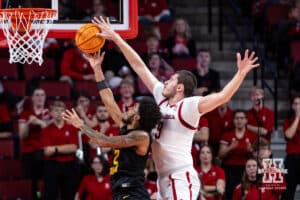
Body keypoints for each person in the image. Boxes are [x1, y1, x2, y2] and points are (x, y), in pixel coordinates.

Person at [90, 16, 259, 200]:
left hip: (180, 176)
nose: (165, 81)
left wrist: (240, 73)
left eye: (170, 80)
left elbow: (223, 96)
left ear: (180, 88)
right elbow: (139, 66)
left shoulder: (189, 106)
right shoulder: (161, 98)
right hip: (163, 178)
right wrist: (116, 37)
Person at [62, 51, 162, 200]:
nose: (130, 107)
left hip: (132, 193)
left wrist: (81, 125)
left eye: (134, 108)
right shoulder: (126, 124)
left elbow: (104, 141)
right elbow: (108, 99)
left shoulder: (141, 136)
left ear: (138, 117)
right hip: (120, 191)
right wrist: (97, 69)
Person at [40, 101, 79, 200]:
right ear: (51, 113)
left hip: (69, 165)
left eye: (62, 110)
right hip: (52, 166)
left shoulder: (71, 128)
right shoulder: (46, 130)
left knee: (69, 195)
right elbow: (47, 151)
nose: (59, 113)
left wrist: (55, 148)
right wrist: (65, 148)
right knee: (51, 195)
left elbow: (73, 148)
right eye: (56, 110)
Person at [18, 87, 50, 200]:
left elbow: (51, 133)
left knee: (45, 179)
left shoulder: (49, 113)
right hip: (29, 151)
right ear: (32, 98)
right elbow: (22, 135)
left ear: (45, 98)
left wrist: (40, 123)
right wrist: (28, 124)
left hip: (44, 152)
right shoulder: (25, 113)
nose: (39, 98)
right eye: (37, 95)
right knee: (31, 181)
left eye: (42, 95)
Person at [218, 109, 256, 199]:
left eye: (242, 118)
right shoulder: (227, 135)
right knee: (230, 193)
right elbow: (220, 155)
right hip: (229, 169)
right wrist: (230, 147)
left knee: (246, 193)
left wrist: (251, 150)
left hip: (246, 169)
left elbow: (257, 157)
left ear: (246, 120)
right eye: (237, 118)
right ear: (233, 120)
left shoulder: (252, 135)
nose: (239, 120)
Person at [283, 94, 300, 200]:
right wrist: (298, 117)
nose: (299, 106)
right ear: (293, 106)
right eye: (297, 104)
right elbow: (289, 135)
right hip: (292, 159)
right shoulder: (287, 122)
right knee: (289, 190)